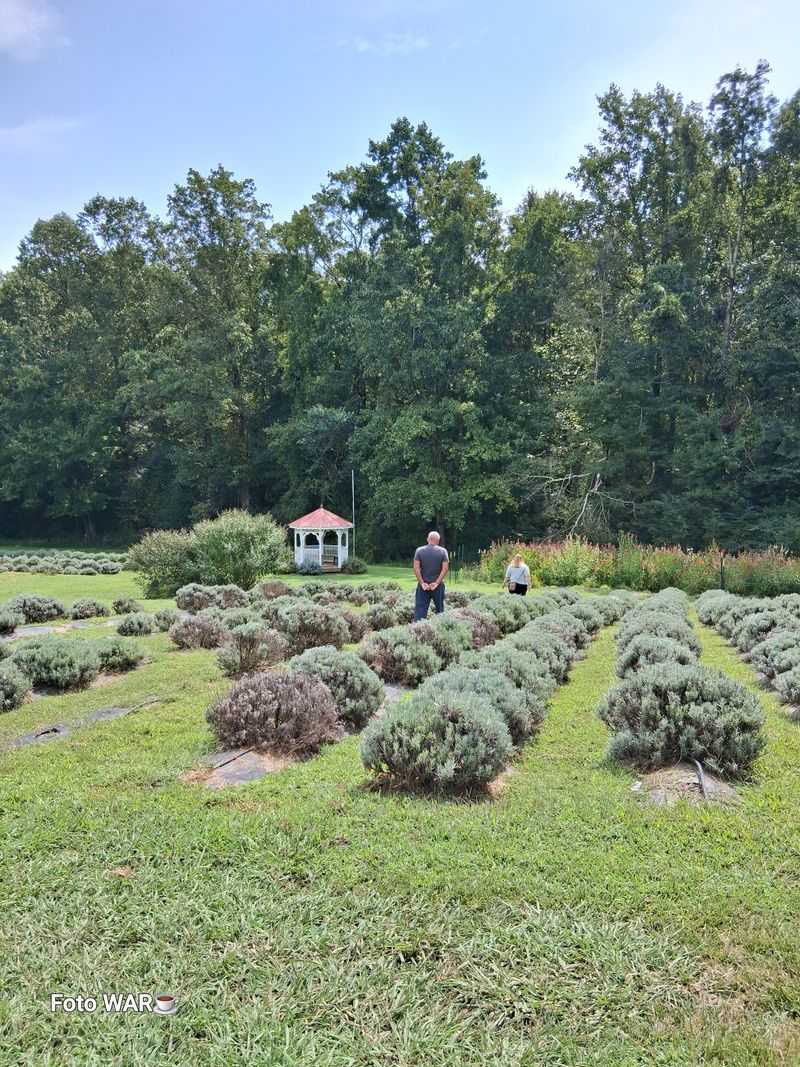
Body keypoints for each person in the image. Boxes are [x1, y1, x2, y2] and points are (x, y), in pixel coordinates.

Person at [413, 531, 449, 621]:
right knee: (440, 611)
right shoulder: (443, 551)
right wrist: (436, 583)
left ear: (428, 539)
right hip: (438, 587)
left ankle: (417, 631)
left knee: (420, 612)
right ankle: (440, 630)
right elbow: (445, 569)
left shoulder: (419, 550)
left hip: (423, 587)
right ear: (438, 541)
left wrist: (422, 583)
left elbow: (416, 568)